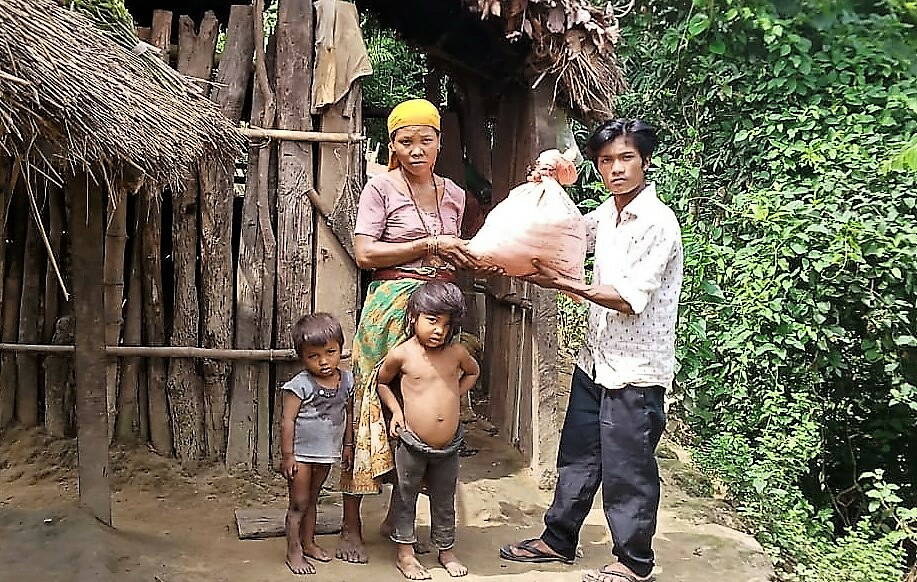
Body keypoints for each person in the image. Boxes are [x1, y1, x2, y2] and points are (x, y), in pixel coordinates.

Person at [500, 119, 683, 582]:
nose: (616, 169)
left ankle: (634, 563)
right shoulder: (606, 215)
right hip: (595, 360)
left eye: (626, 158)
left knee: (628, 470)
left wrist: (562, 282)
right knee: (578, 456)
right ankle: (558, 539)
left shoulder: (657, 223)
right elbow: (564, 234)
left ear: (644, 161)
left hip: (636, 371)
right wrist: (545, 191)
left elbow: (625, 297)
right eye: (606, 161)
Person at [336, 98, 481, 563]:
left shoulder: (455, 194)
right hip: (389, 308)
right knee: (370, 408)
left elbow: (454, 253)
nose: (416, 149)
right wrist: (427, 244)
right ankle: (350, 524)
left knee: (422, 410)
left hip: (436, 312)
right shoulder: (379, 188)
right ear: (393, 146)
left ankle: (399, 521)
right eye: (405, 141)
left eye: (426, 139)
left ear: (440, 142)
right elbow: (364, 254)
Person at [377, 281, 479, 580]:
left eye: (447, 324)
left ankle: (445, 549)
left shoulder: (457, 353)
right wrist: (396, 412)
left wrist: (455, 394)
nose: (439, 330)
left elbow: (473, 371)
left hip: (449, 444)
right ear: (413, 317)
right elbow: (382, 382)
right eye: (432, 321)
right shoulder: (402, 355)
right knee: (406, 495)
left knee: (444, 496)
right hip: (411, 441)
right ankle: (405, 553)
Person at [280, 313, 355, 575]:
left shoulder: (347, 381)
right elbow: (287, 421)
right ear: (302, 357)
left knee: (313, 498)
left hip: (327, 453)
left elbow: (349, 413)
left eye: (330, 352)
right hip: (301, 454)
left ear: (340, 349)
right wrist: (288, 456)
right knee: (298, 502)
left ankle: (309, 542)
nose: (324, 361)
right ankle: (293, 551)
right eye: (314, 356)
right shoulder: (299, 385)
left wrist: (348, 445)